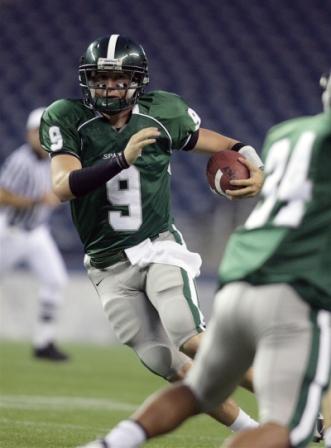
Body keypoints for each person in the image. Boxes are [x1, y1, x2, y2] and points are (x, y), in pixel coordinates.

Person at [78, 69, 331, 448]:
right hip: (295, 288)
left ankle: (113, 443)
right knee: (285, 424)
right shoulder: (71, 121)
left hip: (240, 274)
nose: (111, 87)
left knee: (197, 384)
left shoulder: (286, 134)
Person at [39, 34, 264, 433]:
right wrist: (120, 159)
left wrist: (256, 167)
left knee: (188, 335)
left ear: (137, 82)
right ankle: (253, 432)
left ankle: (298, 392)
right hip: (107, 267)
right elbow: (62, 187)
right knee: (166, 363)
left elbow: (230, 144)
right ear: (86, 80)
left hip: (157, 247)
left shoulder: (163, 111)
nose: (108, 87)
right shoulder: (66, 116)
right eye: (100, 78)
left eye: (118, 78)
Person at [0, 107, 69, 361]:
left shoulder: (55, 159)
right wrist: (35, 201)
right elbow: (2, 196)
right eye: (39, 132)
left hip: (38, 233)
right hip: (11, 231)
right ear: (29, 134)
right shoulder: (21, 161)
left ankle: (44, 342)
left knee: (55, 281)